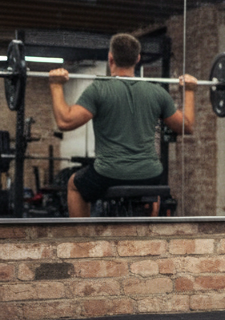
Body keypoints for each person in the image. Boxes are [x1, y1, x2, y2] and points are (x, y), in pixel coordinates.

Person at [48, 33, 196, 217]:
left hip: (107, 173)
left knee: (74, 186)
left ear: (110, 58)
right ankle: (148, 236)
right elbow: (186, 126)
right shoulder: (157, 92)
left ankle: (82, 241)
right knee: (152, 188)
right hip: (149, 174)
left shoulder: (99, 89)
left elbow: (65, 121)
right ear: (138, 59)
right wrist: (189, 90)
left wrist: (55, 85)